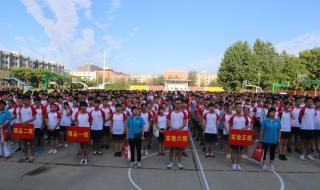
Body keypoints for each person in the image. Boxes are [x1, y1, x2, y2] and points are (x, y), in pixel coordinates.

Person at [166, 99, 187, 169]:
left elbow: (184, 123)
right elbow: (168, 122)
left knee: (180, 149)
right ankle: (171, 162)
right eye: (177, 103)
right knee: (171, 148)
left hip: (180, 132)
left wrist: (178, 129)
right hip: (172, 132)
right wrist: (172, 128)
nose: (178, 105)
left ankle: (179, 162)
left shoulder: (183, 113)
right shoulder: (170, 113)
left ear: (181, 104)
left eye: (179, 103)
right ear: (174, 104)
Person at [228, 103, 249, 171]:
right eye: (238, 107)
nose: (239, 109)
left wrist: (244, 128)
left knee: (240, 151)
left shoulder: (244, 117)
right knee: (234, 151)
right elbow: (230, 127)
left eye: (240, 107)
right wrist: (229, 135)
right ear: (235, 108)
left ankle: (238, 164)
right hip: (234, 136)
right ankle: (233, 163)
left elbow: (247, 125)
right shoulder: (232, 117)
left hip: (241, 137)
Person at [19, 95, 37, 162]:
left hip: (30, 128)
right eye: (23, 100)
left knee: (32, 143)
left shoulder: (32, 108)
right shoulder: (21, 108)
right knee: (24, 143)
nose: (24, 101)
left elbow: (34, 117)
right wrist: (21, 122)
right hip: (23, 128)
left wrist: (26, 122)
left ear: (29, 100)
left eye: (26, 100)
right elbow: (20, 117)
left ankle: (32, 156)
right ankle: (25, 156)